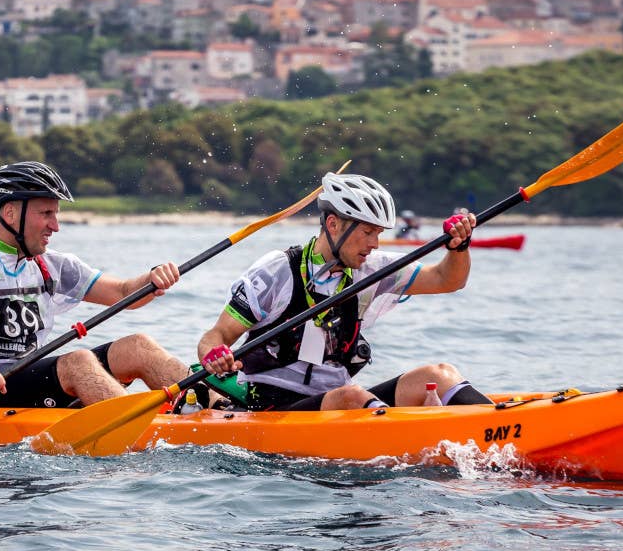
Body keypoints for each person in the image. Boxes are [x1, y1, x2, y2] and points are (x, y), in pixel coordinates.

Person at [0, 160, 189, 409]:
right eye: (46, 214)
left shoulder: (50, 264)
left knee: (138, 346)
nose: (56, 226)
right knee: (78, 362)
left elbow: (124, 293)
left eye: (56, 214)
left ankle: (218, 408)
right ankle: (142, 433)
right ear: (11, 212)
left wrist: (152, 279)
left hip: (31, 379)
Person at [196, 171, 492, 411]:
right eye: (367, 232)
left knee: (438, 375)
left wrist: (458, 247)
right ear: (334, 224)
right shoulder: (278, 271)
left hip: (339, 401)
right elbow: (216, 336)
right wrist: (215, 355)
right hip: (276, 407)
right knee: (350, 397)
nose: (375, 244)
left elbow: (446, 279)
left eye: (378, 233)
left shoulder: (372, 270)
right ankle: (399, 440)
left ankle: (498, 429)